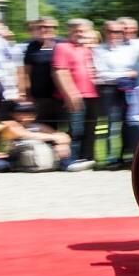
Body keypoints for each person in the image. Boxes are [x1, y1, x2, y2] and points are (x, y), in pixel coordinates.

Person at [52, 18, 98, 171]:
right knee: (76, 130)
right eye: (76, 31)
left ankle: (86, 159)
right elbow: (60, 72)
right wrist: (70, 94)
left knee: (90, 130)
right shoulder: (62, 47)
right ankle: (69, 161)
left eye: (83, 31)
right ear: (69, 31)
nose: (79, 34)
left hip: (93, 95)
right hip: (76, 95)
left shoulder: (89, 48)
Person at [93, 20, 139, 167]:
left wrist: (124, 74)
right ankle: (110, 158)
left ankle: (125, 155)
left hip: (127, 90)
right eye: (111, 31)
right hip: (109, 90)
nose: (114, 34)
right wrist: (124, 74)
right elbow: (101, 74)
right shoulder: (99, 50)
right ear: (105, 32)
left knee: (128, 123)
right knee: (111, 124)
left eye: (118, 31)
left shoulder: (129, 50)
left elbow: (136, 70)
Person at [3, 101, 70, 171]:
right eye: (21, 113)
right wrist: (55, 137)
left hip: (34, 159)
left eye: (29, 113)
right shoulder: (10, 124)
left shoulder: (38, 126)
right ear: (14, 114)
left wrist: (62, 144)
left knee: (59, 145)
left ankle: (66, 165)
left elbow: (63, 136)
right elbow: (25, 134)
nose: (26, 116)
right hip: (14, 158)